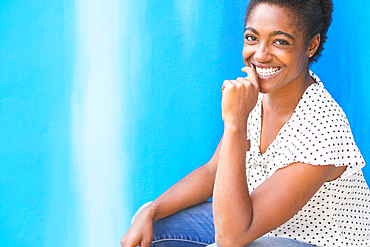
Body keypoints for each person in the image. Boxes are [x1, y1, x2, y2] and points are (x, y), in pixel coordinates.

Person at [121, 0, 370, 246]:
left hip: (312, 242)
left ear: (311, 45)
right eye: (252, 38)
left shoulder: (323, 127)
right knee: (151, 225)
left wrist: (234, 123)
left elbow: (231, 238)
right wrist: (151, 210)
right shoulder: (255, 97)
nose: (260, 55)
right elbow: (212, 172)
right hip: (261, 231)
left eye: (280, 41)